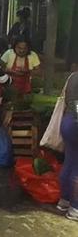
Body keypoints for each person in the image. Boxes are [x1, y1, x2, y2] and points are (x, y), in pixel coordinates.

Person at [57, 72, 78, 221]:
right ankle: (75, 208)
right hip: (76, 122)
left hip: (68, 121)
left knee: (69, 162)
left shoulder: (72, 76)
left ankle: (64, 201)